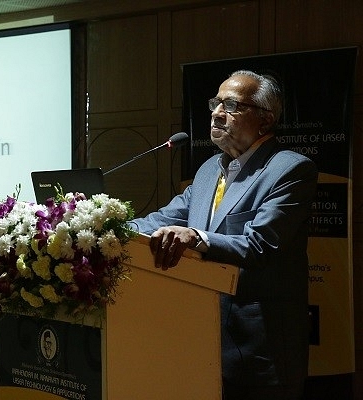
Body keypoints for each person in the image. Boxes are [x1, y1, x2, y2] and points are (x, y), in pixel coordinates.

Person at [131, 70, 318, 400]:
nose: (217, 112)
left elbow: (260, 245)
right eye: (216, 102)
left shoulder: (289, 169)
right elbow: (162, 219)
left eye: (232, 105)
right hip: (202, 342)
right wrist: (105, 226)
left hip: (261, 350)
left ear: (265, 120)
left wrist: (195, 237)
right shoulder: (208, 170)